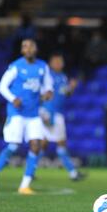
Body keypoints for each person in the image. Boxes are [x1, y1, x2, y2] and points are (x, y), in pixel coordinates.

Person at [0, 39, 53, 195]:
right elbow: (2, 86)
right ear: (22, 51)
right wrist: (13, 98)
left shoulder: (43, 67)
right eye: (24, 47)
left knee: (36, 145)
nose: (27, 49)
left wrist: (48, 92)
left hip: (33, 114)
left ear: (35, 48)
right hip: (17, 114)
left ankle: (25, 185)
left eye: (30, 46)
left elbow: (48, 85)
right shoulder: (16, 67)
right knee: (13, 146)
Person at [39, 53, 85, 181]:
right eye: (56, 61)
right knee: (59, 144)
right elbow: (44, 95)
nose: (59, 63)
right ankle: (73, 172)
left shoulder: (63, 77)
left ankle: (30, 171)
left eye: (60, 61)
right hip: (50, 113)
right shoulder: (48, 77)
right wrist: (44, 112)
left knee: (44, 144)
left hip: (58, 113)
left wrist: (71, 88)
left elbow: (65, 94)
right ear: (51, 63)